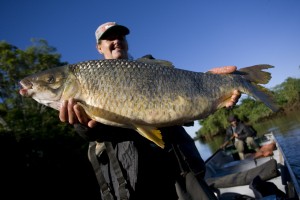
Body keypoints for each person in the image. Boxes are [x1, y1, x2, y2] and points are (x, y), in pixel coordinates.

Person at [59, 22, 241, 200]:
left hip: (178, 167)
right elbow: (94, 132)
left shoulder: (152, 67)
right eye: (109, 38)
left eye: (120, 37)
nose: (116, 41)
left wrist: (207, 82)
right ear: (99, 47)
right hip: (132, 176)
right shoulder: (87, 80)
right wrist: (82, 126)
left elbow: (181, 106)